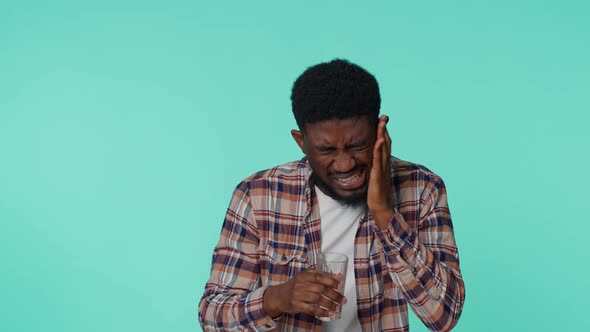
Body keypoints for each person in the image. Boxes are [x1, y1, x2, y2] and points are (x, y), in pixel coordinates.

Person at [198, 59, 465, 331]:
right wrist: (277, 298)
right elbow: (212, 316)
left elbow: (443, 315)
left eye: (357, 145)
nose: (345, 164)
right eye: (326, 150)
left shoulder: (421, 188)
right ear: (301, 142)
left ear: (379, 132)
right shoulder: (258, 195)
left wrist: (385, 213)